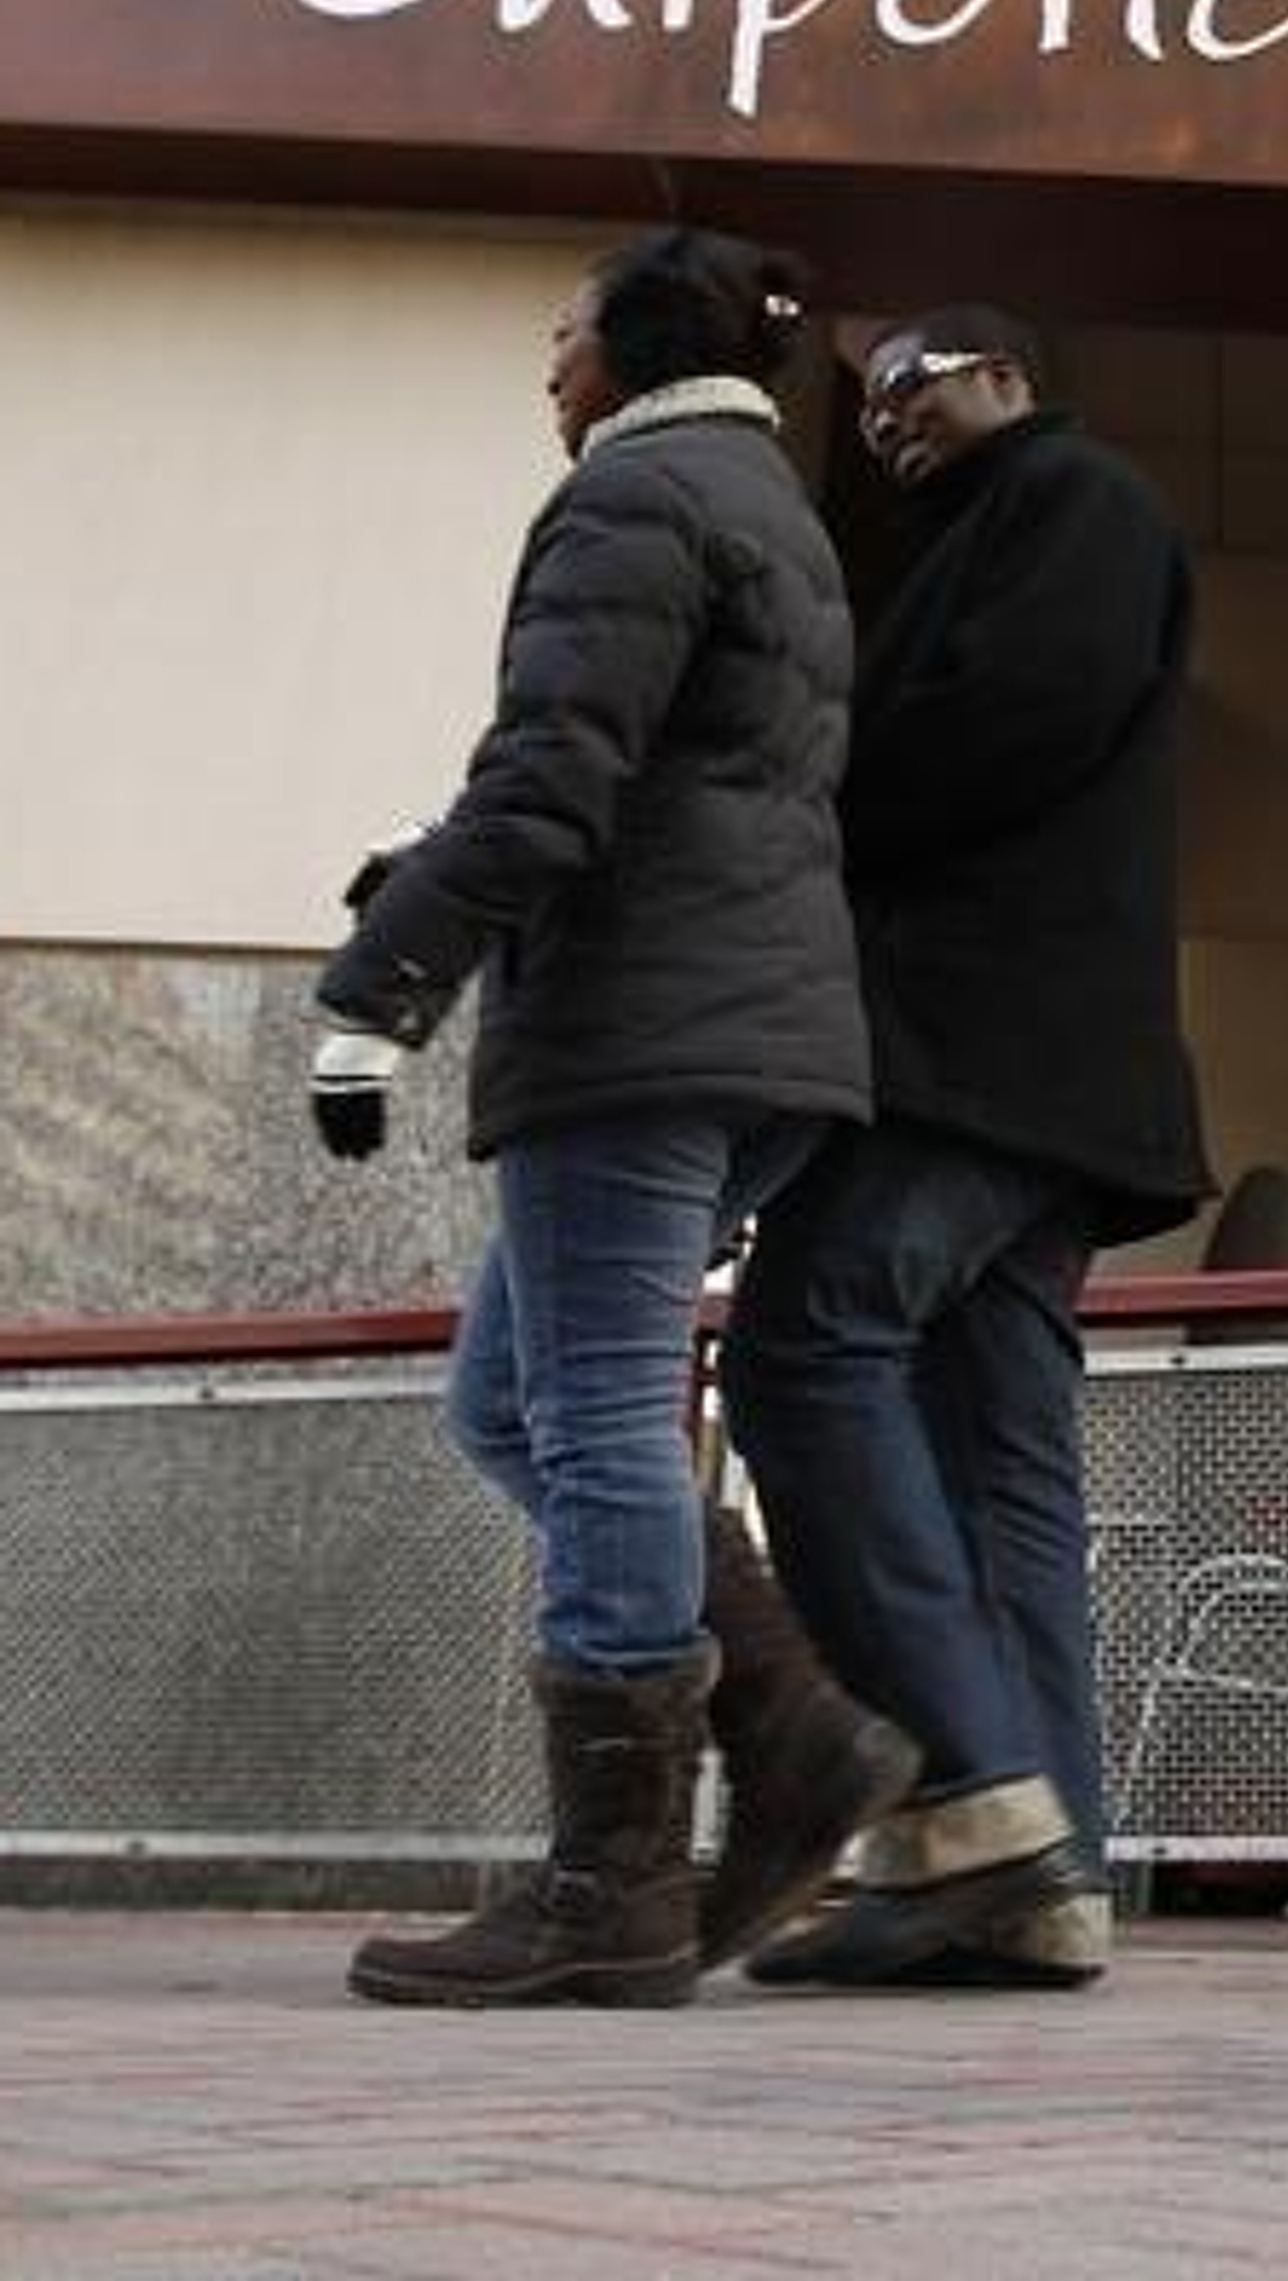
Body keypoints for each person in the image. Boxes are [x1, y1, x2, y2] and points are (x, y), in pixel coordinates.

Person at [318, 225, 916, 2009]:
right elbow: (672, 776)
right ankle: (788, 1719)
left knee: (587, 1419)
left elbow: (554, 776)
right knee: (510, 1400)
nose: (548, 364)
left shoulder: (637, 496)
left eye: (564, 333)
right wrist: (426, 870)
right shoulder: (766, 505)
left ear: (636, 349)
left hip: (641, 1036)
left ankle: (615, 1888)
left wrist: (378, 989)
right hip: (746, 1025)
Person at [725, 303, 1211, 1993]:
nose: (885, 423)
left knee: (802, 1349)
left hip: (979, 1058)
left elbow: (1002, 726)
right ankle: (1043, 1881)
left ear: (1011, 376)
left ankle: (969, 1821)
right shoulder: (1018, 526)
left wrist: (794, 795)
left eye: (911, 388)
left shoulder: (1075, 501)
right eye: (866, 410)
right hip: (1040, 1080)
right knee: (1007, 1476)